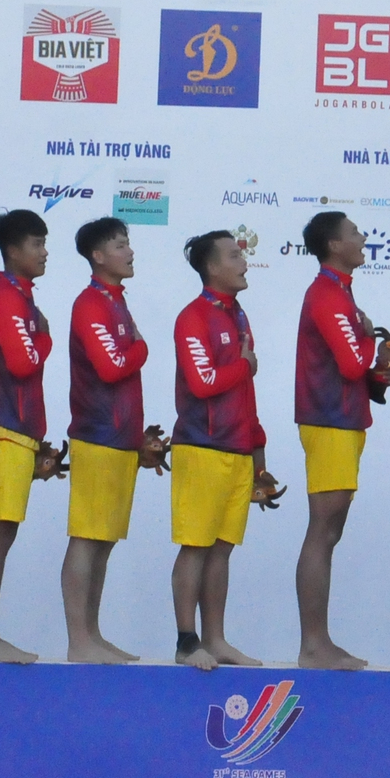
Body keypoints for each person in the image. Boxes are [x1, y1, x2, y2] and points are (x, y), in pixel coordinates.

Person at [291, 210, 390, 671]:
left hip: (343, 418)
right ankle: (313, 644)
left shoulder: (341, 295)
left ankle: (319, 641)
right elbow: (353, 364)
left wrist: (380, 365)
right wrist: (377, 351)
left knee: (329, 531)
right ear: (334, 246)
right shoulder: (327, 295)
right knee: (322, 530)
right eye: (355, 233)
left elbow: (357, 369)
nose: (363, 238)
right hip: (329, 420)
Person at [64, 215, 165, 664]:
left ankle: (92, 633)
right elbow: (112, 367)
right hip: (97, 434)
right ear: (97, 256)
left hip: (119, 437)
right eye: (120, 245)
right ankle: (78, 640)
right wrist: (141, 350)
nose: (130, 251)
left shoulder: (115, 302)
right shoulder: (90, 304)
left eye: (129, 243)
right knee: (87, 537)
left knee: (102, 541)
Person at [172, 229, 274, 671]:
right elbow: (203, 383)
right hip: (202, 446)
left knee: (222, 548)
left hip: (236, 447)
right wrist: (244, 366)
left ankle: (216, 638)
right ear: (212, 267)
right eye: (234, 255)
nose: (244, 261)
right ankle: (185, 641)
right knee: (195, 546)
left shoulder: (239, 315)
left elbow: (244, 393)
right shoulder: (193, 317)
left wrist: (259, 449)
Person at [0, 208, 59, 664]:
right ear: (12, 251)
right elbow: (23, 364)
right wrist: (44, 339)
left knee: (2, 534)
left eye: (44, 243)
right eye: (36, 244)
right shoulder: (5, 298)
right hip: (1, 427)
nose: (45, 252)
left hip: (14, 427)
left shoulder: (19, 298)